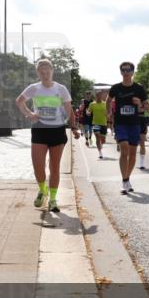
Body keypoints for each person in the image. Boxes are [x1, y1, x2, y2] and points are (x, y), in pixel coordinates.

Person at [15, 60, 80, 212]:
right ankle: (42, 190)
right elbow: (19, 101)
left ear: (52, 71)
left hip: (57, 130)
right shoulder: (34, 88)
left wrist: (74, 128)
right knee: (38, 165)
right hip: (39, 130)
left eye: (47, 72)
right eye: (42, 72)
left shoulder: (61, 89)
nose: (45, 75)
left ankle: (52, 199)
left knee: (54, 167)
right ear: (38, 73)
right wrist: (29, 114)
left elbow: (69, 110)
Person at [108, 62, 149, 195]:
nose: (126, 72)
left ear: (132, 72)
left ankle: (127, 178)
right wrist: (108, 112)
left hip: (134, 124)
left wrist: (140, 103)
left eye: (128, 70)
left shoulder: (139, 89)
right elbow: (109, 100)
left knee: (132, 153)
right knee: (124, 149)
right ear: (121, 72)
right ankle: (124, 180)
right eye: (123, 70)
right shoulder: (115, 88)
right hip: (120, 123)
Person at [88, 90, 109, 159]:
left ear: (102, 96)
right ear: (96, 96)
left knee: (103, 140)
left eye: (100, 95)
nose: (99, 96)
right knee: (97, 136)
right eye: (97, 95)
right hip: (95, 123)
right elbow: (89, 111)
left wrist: (108, 115)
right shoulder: (92, 104)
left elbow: (108, 112)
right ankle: (100, 153)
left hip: (104, 123)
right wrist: (87, 112)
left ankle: (101, 145)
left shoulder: (105, 104)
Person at [138, 91, 149, 170]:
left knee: (142, 142)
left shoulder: (144, 100)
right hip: (133, 120)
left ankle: (142, 162)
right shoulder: (131, 98)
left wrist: (143, 105)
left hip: (142, 120)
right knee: (131, 143)